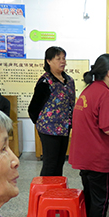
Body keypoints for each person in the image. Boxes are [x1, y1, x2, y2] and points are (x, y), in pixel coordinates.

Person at [69, 54, 109, 217]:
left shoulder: (89, 90)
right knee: (100, 205)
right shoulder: (105, 94)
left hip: (84, 157)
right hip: (97, 158)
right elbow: (108, 127)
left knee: (90, 200)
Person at [28, 46, 76, 176]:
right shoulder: (45, 82)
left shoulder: (69, 81)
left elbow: (72, 103)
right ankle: (45, 193)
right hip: (48, 130)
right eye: (58, 58)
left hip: (65, 128)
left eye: (64, 58)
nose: (63, 61)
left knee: (60, 163)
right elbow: (33, 108)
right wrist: (42, 124)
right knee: (50, 164)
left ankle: (56, 192)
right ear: (48, 61)